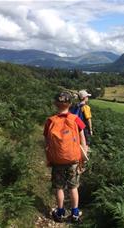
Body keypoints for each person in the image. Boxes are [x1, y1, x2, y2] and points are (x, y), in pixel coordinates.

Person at [43, 92, 88, 223]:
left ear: (55, 104)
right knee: (73, 187)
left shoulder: (50, 121)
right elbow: (82, 139)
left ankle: (60, 212)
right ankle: (75, 213)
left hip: (57, 160)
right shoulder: (76, 119)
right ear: (70, 104)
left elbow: (46, 142)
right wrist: (83, 155)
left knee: (59, 187)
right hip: (73, 159)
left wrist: (50, 155)